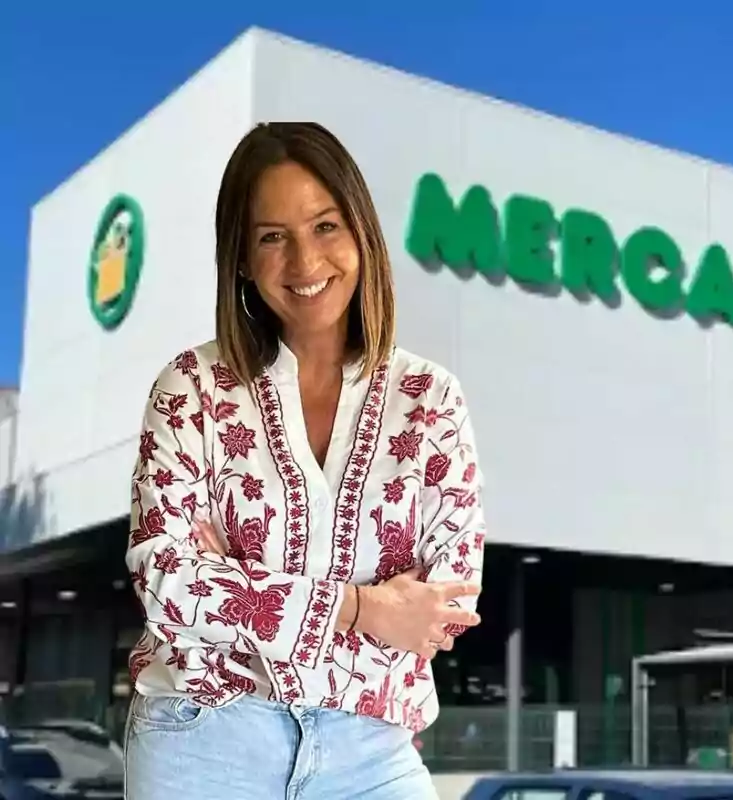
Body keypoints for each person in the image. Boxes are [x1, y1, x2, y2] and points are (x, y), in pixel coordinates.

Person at [122, 121, 487, 799]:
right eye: (272, 237)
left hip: (372, 754)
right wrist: (364, 607)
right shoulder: (191, 390)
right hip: (203, 742)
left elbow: (446, 603)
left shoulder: (430, 399)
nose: (305, 260)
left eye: (325, 226)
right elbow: (168, 584)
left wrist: (239, 580)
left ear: (361, 234)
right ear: (240, 257)